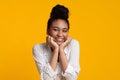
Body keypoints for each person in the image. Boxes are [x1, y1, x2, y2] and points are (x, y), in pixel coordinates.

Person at [32, 4, 80, 80]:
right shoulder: (38, 48)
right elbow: (46, 78)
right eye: (55, 29)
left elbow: (72, 78)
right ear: (47, 30)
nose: (60, 34)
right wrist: (56, 50)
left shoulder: (73, 44)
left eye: (64, 30)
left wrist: (61, 50)